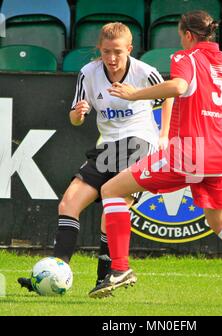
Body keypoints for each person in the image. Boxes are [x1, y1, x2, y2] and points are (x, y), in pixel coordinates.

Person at [94, 11, 222, 307]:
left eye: (180, 34)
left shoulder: (185, 58)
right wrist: (218, 105)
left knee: (110, 190)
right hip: (221, 154)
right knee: (221, 221)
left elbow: (179, 87)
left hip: (190, 151)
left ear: (187, 34)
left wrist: (135, 95)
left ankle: (119, 268)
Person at [17, 22, 173, 297]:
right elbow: (75, 120)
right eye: (105, 52)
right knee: (68, 204)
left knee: (111, 211)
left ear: (129, 49)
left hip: (139, 143)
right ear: (98, 50)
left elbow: (170, 93)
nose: (111, 59)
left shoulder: (143, 72)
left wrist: (164, 135)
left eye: (117, 52)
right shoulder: (87, 74)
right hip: (108, 147)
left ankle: (106, 278)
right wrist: (78, 113)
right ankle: (55, 274)